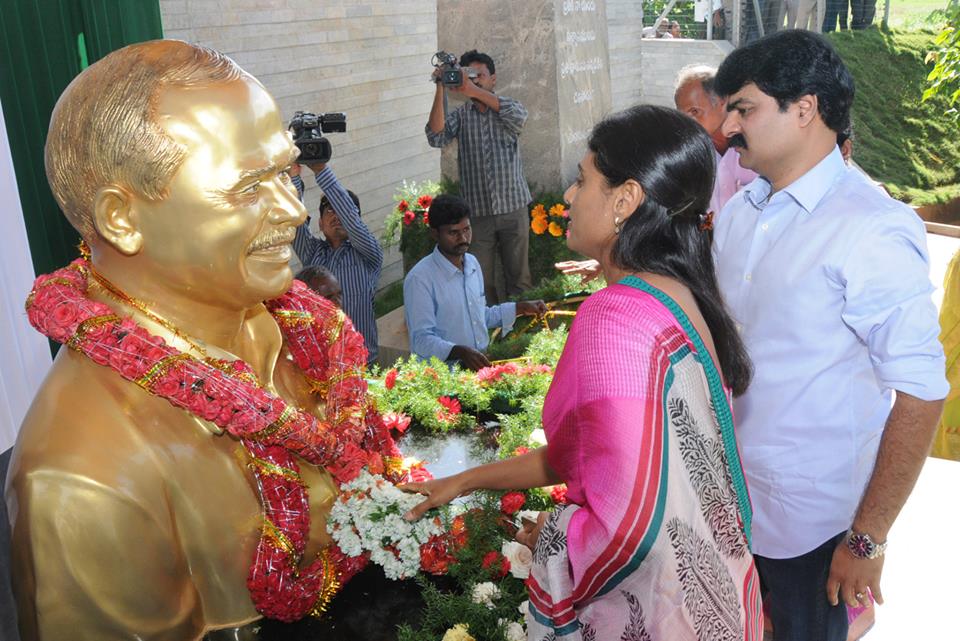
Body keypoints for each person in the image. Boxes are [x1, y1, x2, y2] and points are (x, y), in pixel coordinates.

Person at [6, 40, 396, 640]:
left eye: (285, 173)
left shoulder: (297, 333)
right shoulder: (83, 479)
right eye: (247, 187)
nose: (293, 211)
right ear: (121, 219)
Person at [403, 105, 763, 640]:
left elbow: (625, 527)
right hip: (715, 602)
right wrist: (463, 481)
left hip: (661, 613)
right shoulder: (682, 295)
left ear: (625, 199)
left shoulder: (615, 319)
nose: (568, 196)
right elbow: (590, 458)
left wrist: (555, 533)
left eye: (582, 179)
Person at [714, 30, 947, 641]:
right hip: (731, 505)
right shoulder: (740, 213)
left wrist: (868, 535)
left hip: (815, 528)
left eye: (744, 108)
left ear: (805, 108)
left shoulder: (871, 228)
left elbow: (921, 392)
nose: (728, 128)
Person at [426, 50, 532, 304]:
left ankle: (524, 334)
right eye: (468, 75)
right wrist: (441, 86)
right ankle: (490, 335)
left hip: (513, 208)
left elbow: (520, 117)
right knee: (481, 282)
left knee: (520, 280)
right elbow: (436, 136)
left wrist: (470, 89)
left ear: (493, 79)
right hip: (477, 215)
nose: (474, 80)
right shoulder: (461, 116)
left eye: (479, 75)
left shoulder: (507, 108)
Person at [403, 194, 544, 371]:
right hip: (442, 377)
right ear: (435, 234)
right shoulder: (420, 279)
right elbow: (421, 340)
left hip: (478, 371)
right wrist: (460, 352)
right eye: (453, 232)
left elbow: (479, 316)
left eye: (466, 229)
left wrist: (520, 308)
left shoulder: (472, 264)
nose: (463, 238)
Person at [290, 161, 382, 365]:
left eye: (341, 211)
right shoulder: (312, 253)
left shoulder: (367, 254)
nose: (336, 216)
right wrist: (294, 177)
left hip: (363, 364)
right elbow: (294, 221)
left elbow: (351, 220)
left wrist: (320, 169)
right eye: (329, 211)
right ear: (320, 224)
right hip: (322, 366)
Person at [674, 64, 758, 215]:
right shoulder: (689, 157)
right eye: (682, 115)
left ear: (722, 101)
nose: (687, 122)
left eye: (695, 111)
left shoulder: (758, 149)